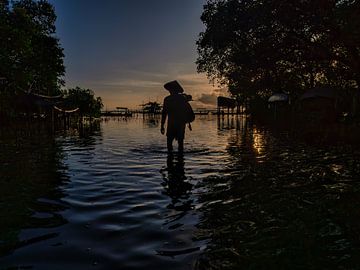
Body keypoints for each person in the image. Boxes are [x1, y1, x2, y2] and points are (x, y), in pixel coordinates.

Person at [161, 80, 194, 153]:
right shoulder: (181, 98)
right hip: (178, 124)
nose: (170, 91)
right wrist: (162, 125)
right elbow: (164, 113)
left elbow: (164, 113)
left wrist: (162, 125)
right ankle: (179, 160)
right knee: (179, 144)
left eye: (171, 89)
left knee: (171, 145)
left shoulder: (167, 99)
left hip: (174, 124)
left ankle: (172, 159)